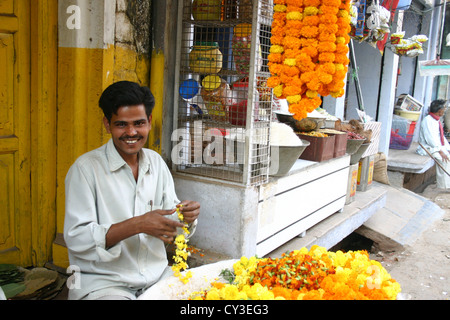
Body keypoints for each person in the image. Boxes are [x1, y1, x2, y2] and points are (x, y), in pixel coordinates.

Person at [64, 81, 200, 300]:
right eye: (121, 125)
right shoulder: (85, 169)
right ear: (107, 124)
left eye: (139, 123)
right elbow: (78, 239)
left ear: (149, 122)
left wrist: (186, 218)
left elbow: (172, 228)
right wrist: (138, 224)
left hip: (157, 278)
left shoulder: (156, 163)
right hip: (103, 284)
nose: (131, 132)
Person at [416, 99, 450, 190]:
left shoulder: (436, 121)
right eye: (444, 108)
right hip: (427, 148)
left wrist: (447, 148)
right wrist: (441, 151)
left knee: (448, 156)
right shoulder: (427, 121)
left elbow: (441, 137)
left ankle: (447, 183)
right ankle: (444, 186)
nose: (445, 110)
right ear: (439, 110)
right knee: (444, 159)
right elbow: (431, 140)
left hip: (436, 147)